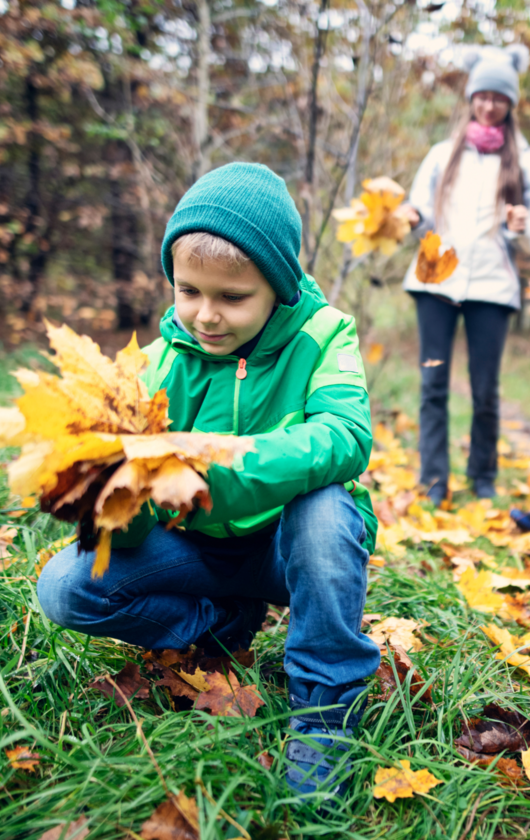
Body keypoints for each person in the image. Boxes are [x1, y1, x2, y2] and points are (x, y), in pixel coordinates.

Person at [37, 162, 381, 800]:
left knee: (326, 510)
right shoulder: (155, 362)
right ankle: (221, 623)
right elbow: (132, 506)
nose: (205, 315)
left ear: (276, 285)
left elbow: (344, 435)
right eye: (188, 291)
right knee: (65, 588)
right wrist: (114, 493)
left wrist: (212, 473)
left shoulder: (323, 334)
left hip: (290, 546)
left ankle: (326, 702)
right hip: (198, 551)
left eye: (232, 297)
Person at [401, 45, 530, 506]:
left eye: (499, 98)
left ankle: (484, 478)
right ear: (471, 98)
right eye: (482, 96)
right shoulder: (441, 154)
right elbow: (416, 214)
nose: (489, 105)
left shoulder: (523, 158)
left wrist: (521, 227)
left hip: (494, 285)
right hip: (436, 277)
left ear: (510, 104)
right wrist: (409, 215)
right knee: (433, 384)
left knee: (485, 390)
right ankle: (434, 482)